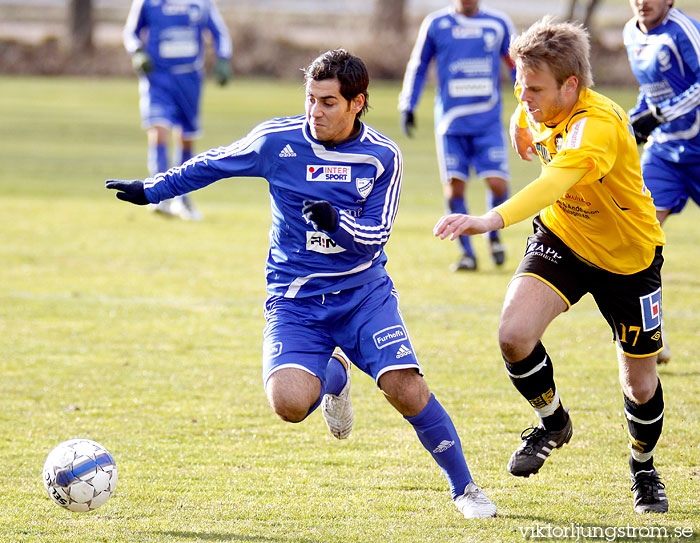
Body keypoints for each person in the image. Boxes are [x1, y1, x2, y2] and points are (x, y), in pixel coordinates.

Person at [107, 49, 497, 519]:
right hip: (296, 299)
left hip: (362, 296)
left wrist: (335, 224)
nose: (315, 111)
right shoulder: (278, 142)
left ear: (358, 102)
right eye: (311, 99)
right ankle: (335, 375)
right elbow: (213, 162)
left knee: (405, 389)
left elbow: (373, 239)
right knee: (289, 404)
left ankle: (465, 490)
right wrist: (152, 190)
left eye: (328, 102)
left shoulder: (381, 156)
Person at [434, 18, 669, 514]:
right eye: (519, 86)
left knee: (640, 385)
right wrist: (520, 124)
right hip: (562, 237)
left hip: (629, 260)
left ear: (572, 85)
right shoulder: (535, 104)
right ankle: (553, 422)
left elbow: (550, 184)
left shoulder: (598, 126)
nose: (524, 97)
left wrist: (488, 219)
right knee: (513, 336)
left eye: (534, 89)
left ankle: (643, 467)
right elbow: (526, 124)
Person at [398, 0, 516, 271]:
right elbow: (419, 65)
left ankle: (493, 236)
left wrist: (528, 102)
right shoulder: (436, 24)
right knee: (454, 190)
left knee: (498, 184)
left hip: (488, 121)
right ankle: (466, 254)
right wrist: (408, 104)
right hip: (451, 124)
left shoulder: (498, 24)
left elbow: (516, 66)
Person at [623, 0, 700, 364]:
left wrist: (658, 115)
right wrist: (637, 120)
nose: (643, 2)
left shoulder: (682, 29)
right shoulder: (630, 33)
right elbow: (650, 88)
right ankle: (654, 334)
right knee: (638, 234)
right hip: (665, 152)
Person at [123, 0, 233, 221]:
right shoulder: (148, 2)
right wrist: (137, 52)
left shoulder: (201, 3)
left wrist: (222, 59)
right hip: (157, 78)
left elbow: (219, 31)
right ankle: (159, 194)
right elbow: (130, 32)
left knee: (186, 137)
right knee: (158, 130)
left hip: (189, 77)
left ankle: (182, 200)